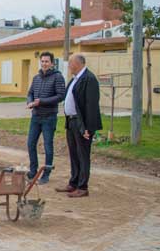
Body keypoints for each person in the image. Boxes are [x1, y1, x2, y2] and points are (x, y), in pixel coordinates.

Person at [55, 54, 102, 198]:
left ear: (79, 63)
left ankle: (83, 186)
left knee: (83, 155)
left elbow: (91, 105)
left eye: (71, 63)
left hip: (82, 124)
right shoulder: (75, 79)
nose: (69, 65)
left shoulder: (89, 79)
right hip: (72, 122)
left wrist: (87, 128)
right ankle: (73, 182)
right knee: (74, 154)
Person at [25, 51, 66, 184]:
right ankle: (33, 171)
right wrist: (30, 102)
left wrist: (41, 101)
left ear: (52, 63)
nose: (44, 64)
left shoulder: (58, 77)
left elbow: (60, 96)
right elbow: (30, 93)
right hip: (36, 116)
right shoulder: (36, 78)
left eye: (47, 61)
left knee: (48, 146)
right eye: (42, 61)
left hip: (49, 117)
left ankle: (46, 174)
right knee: (31, 144)